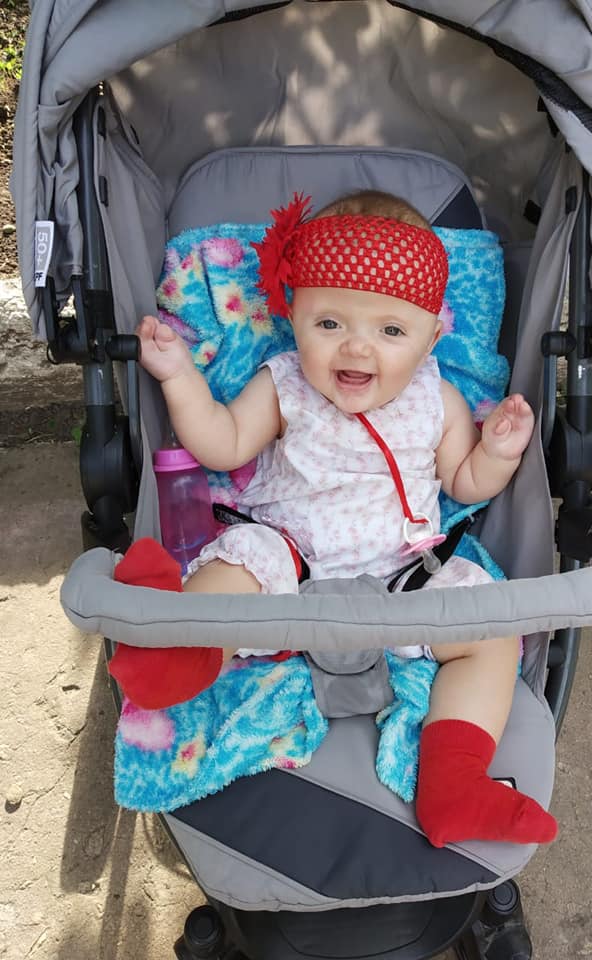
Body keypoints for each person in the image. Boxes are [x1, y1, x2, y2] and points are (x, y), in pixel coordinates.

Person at [109, 190, 557, 847]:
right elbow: (224, 443)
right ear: (292, 315)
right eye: (329, 323)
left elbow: (464, 482)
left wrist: (497, 451)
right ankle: (172, 651)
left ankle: (455, 781)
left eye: (391, 331)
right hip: (289, 563)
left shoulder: (439, 400)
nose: (356, 349)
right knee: (239, 565)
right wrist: (179, 376)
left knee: (490, 628)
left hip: (403, 578)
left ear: (431, 337)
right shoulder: (285, 383)